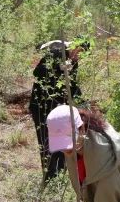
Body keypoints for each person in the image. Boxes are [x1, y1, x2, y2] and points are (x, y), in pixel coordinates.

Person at [30, 40, 86, 180]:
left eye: (82, 54)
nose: (78, 56)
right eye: (77, 51)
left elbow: (72, 87)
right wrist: (58, 67)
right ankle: (49, 177)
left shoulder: (73, 62)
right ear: (73, 47)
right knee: (46, 142)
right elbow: (37, 72)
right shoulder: (56, 54)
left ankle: (59, 177)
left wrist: (82, 103)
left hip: (59, 109)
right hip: (42, 106)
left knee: (63, 142)